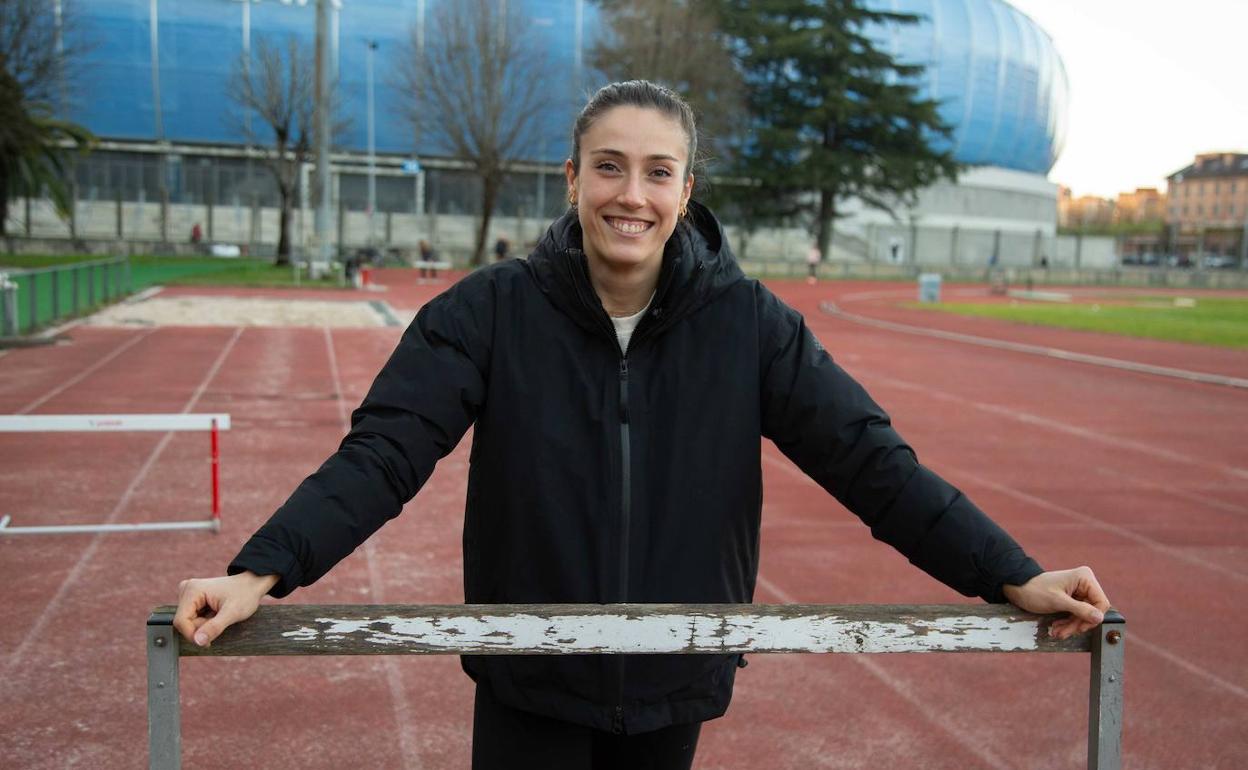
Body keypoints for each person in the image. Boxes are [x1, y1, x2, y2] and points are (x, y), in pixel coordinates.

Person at [174, 81, 1110, 770]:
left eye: (657, 172)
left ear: (686, 186)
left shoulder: (750, 326)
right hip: (526, 677)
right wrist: (264, 568)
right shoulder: (487, 313)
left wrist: (1013, 574)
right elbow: (382, 456)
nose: (632, 194)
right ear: (571, 177)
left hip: (675, 679)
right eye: (609, 167)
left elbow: (871, 464)